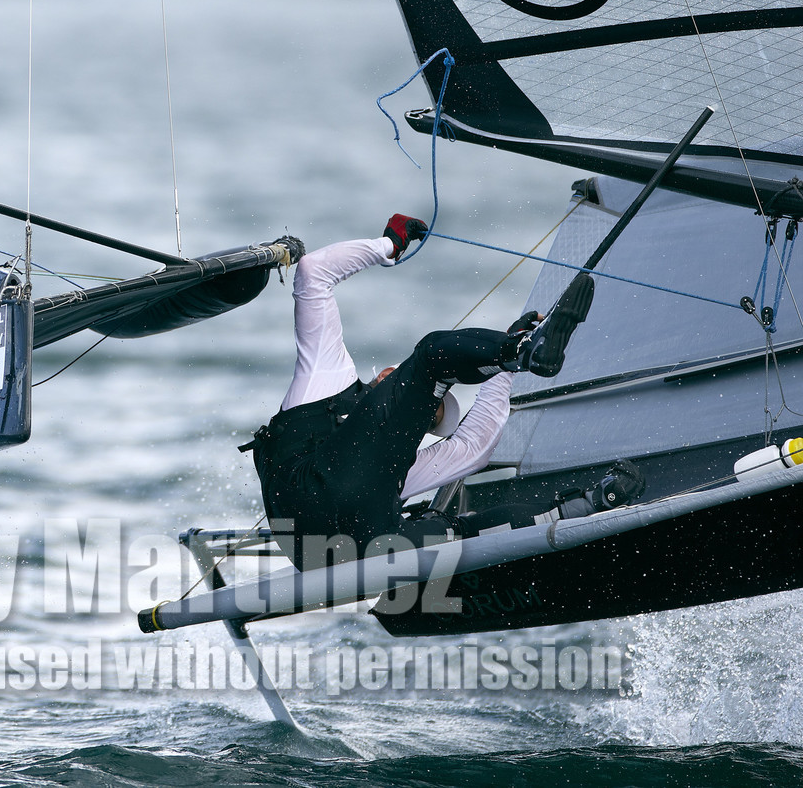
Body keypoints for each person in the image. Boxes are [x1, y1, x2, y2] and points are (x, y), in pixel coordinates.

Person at [247, 215, 603, 565]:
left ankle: (585, 506)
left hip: (332, 549)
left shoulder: (395, 465)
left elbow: (474, 447)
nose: (423, 416)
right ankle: (521, 352)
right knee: (431, 355)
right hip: (315, 512)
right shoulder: (329, 375)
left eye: (431, 420)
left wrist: (506, 370)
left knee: (453, 528)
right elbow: (313, 273)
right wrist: (388, 246)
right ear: (388, 375)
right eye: (432, 407)